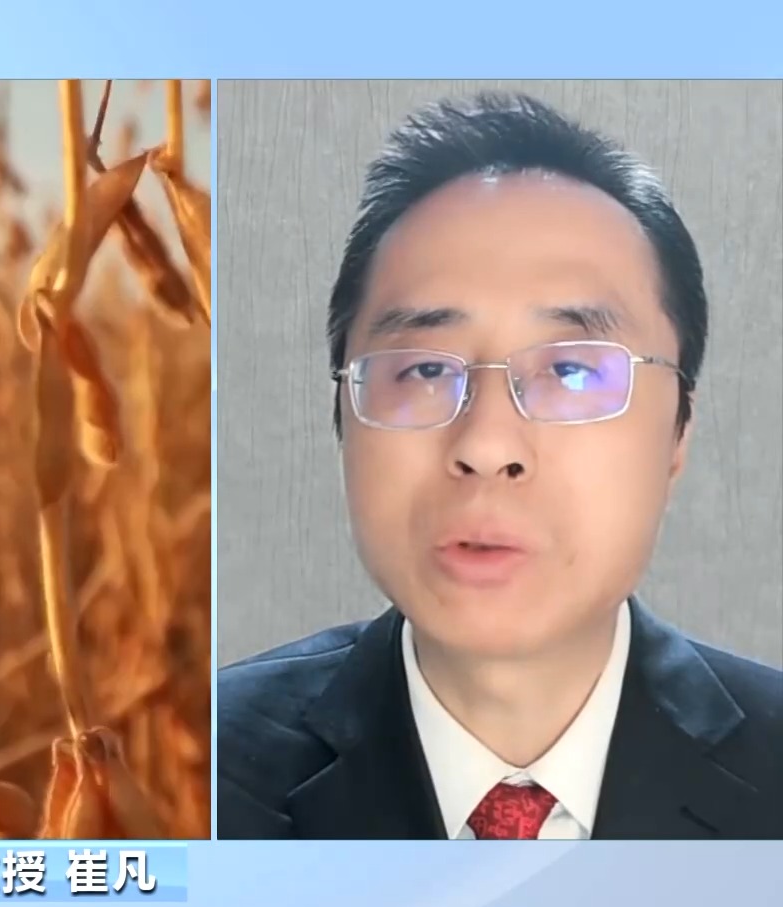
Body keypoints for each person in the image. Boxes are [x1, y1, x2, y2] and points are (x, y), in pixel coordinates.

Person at [217, 91, 783, 840]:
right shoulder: (177, 782)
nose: (486, 445)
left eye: (573, 371)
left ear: (678, 430)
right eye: (423, 370)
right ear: (343, 417)